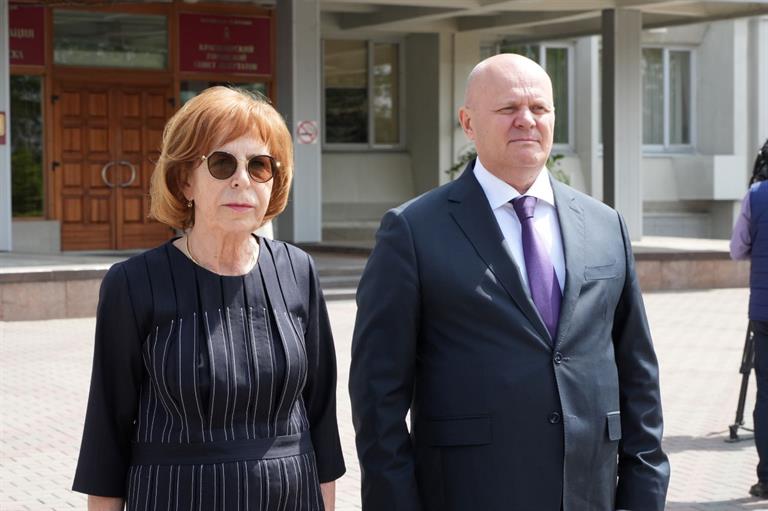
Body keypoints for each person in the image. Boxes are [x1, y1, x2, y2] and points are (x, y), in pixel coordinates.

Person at [349, 54, 670, 511]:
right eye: (508, 109)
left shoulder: (605, 225)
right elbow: (376, 395)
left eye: (539, 108)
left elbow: (638, 376)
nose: (527, 120)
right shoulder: (413, 231)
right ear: (468, 122)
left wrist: (644, 494)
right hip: (470, 493)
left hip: (589, 492)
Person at [72, 86, 345, 510]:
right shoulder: (133, 283)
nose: (242, 179)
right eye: (221, 163)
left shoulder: (298, 270)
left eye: (259, 166)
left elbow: (321, 416)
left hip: (291, 496)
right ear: (185, 181)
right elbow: (106, 432)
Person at [730, 139, 768, 499]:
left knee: (766, 395)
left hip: (764, 313)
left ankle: (767, 478)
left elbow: (737, 249)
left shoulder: (756, 196)